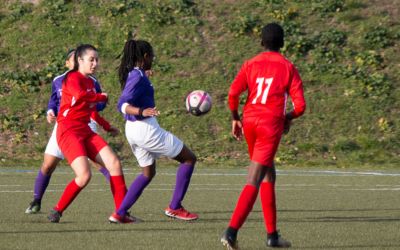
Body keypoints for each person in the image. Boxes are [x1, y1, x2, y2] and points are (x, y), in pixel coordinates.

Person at [221, 23, 306, 249]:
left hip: (249, 122)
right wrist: (287, 117)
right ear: (283, 43)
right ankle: (231, 232)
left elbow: (232, 93)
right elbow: (301, 106)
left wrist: (234, 117)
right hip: (269, 125)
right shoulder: (288, 67)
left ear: (261, 42)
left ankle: (272, 236)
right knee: (254, 178)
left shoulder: (251, 64)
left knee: (268, 174)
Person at [109, 39, 198, 223]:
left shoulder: (137, 74)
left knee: (148, 173)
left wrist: (145, 75)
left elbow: (136, 90)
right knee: (189, 158)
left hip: (133, 130)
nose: (154, 59)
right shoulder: (137, 76)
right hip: (146, 129)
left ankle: (120, 213)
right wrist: (142, 111)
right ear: (145, 57)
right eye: (152, 56)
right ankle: (175, 207)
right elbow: (122, 105)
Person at [25, 49, 116, 214]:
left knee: (104, 164)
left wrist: (99, 103)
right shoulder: (59, 80)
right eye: (73, 59)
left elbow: (98, 104)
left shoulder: (91, 80)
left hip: (85, 124)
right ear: (68, 63)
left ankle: (121, 205)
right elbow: (54, 101)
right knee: (47, 165)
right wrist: (50, 111)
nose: (76, 62)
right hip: (64, 125)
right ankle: (36, 200)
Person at [47, 44, 129, 223]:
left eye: (97, 60)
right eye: (91, 59)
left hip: (85, 130)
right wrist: (101, 97)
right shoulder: (71, 78)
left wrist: (107, 127)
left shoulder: (91, 82)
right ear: (79, 60)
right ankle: (57, 210)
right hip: (68, 131)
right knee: (84, 176)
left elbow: (91, 111)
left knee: (114, 163)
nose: (95, 63)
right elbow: (81, 95)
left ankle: (121, 213)